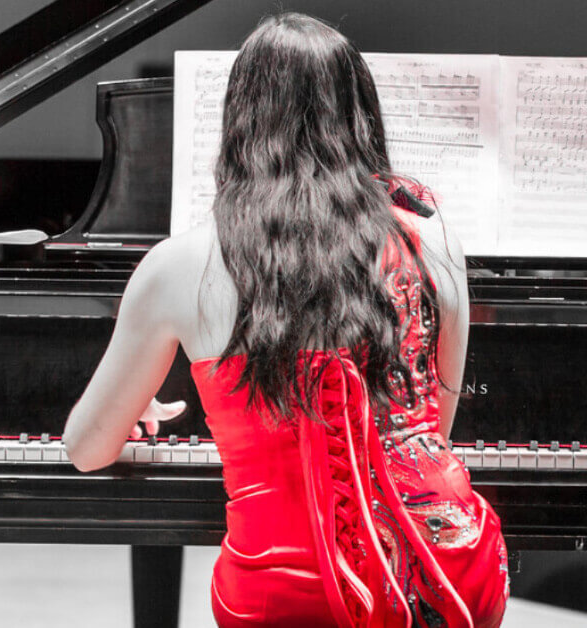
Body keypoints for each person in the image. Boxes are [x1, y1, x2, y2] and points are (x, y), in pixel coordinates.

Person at [63, 12, 508, 628]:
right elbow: (429, 436)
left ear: (239, 123)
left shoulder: (177, 266)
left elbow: (86, 450)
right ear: (361, 116)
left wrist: (129, 406)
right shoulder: (434, 245)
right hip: (449, 580)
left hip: (284, 596)